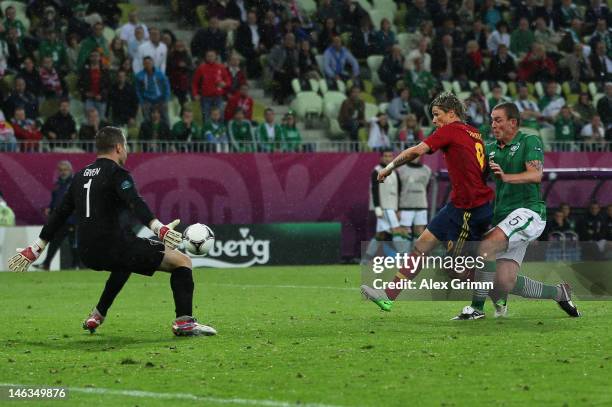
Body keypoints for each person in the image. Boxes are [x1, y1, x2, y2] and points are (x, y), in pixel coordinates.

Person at [8, 127, 217, 337]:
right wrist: (159, 228)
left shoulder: (80, 176)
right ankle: (185, 323)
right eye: (125, 146)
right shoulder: (117, 173)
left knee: (125, 262)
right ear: (118, 147)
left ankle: (97, 314)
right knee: (182, 262)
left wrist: (36, 248)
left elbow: (59, 213)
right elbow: (135, 202)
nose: (126, 151)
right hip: (114, 246)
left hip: (88, 253)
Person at [361, 92, 494, 311]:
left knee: (455, 270)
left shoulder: (451, 130)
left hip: (469, 209)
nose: (433, 121)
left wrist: (389, 167)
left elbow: (416, 151)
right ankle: (388, 296)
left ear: (451, 114)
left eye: (436, 115)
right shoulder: (476, 133)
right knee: (421, 245)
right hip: (458, 205)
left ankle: (503, 287)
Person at [453, 102, 580, 319]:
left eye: (498, 120)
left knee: (487, 246)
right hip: (502, 219)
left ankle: (476, 309)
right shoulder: (490, 149)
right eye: (492, 119)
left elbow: (535, 175)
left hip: (529, 212)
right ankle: (559, 292)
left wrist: (506, 177)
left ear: (513, 122)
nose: (493, 124)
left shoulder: (529, 141)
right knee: (503, 281)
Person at [34, 161, 79, 270]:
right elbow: (54, 201)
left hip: (72, 219)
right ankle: (47, 264)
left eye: (65, 170)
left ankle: (75, 265)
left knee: (73, 243)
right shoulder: (58, 185)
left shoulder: (75, 183)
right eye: (61, 170)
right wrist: (50, 208)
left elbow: (79, 199)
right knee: (56, 242)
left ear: (70, 170)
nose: (63, 172)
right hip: (60, 219)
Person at [363, 149, 402, 263]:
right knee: (397, 230)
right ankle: (403, 260)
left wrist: (398, 209)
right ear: (381, 158)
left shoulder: (395, 172)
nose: (388, 158)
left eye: (390, 156)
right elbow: (374, 190)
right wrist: (377, 208)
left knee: (380, 235)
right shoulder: (377, 171)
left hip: (392, 207)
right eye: (385, 156)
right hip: (384, 208)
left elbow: (398, 192)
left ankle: (365, 260)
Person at [396, 156, 431, 249]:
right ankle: (403, 257)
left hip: (421, 205)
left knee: (419, 232)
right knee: (404, 231)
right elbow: (398, 190)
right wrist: (397, 209)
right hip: (405, 206)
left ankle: (415, 258)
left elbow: (427, 188)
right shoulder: (401, 170)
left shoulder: (427, 170)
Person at [192, 50, 231, 123]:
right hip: (205, 97)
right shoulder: (201, 68)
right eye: (208, 56)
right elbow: (195, 83)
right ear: (206, 57)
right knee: (206, 117)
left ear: (215, 56)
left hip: (218, 97)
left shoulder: (221, 67)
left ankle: (220, 132)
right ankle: (207, 132)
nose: (210, 58)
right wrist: (195, 94)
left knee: (220, 116)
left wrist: (224, 84)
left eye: (212, 56)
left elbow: (228, 81)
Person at [135, 56, 171, 125]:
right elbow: (138, 90)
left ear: (153, 63)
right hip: (147, 100)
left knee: (165, 118)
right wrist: (141, 101)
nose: (148, 65)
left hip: (160, 99)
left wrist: (166, 99)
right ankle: (148, 131)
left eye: (149, 63)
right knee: (147, 118)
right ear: (143, 64)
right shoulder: (139, 76)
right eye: (145, 63)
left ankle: (167, 132)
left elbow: (167, 87)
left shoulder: (160, 74)